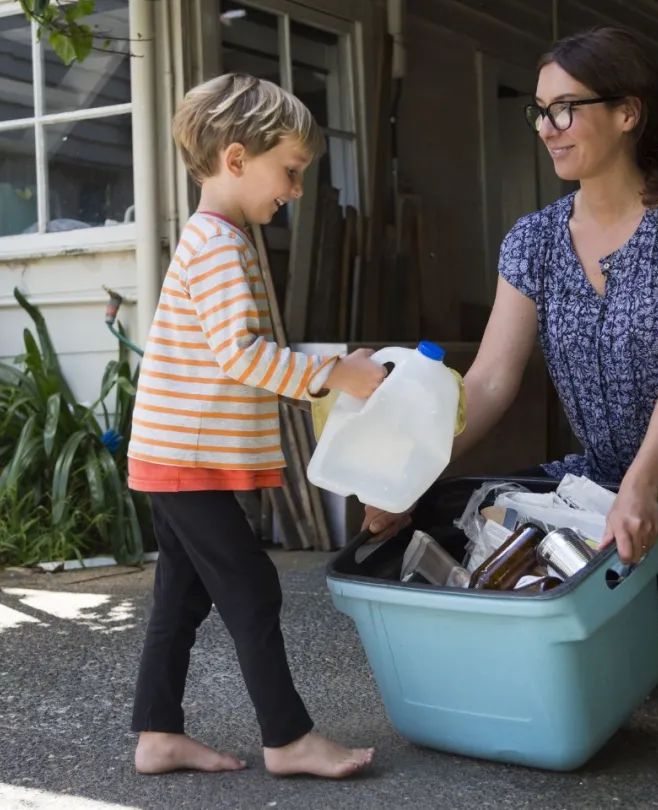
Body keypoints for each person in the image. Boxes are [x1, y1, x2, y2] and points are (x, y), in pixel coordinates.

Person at [363, 27, 658, 707]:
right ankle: (624, 631)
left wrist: (642, 489)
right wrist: (406, 475)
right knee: (451, 510)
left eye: (565, 107)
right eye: (539, 110)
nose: (547, 127)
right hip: (600, 469)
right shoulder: (534, 239)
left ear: (628, 113)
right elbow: (492, 380)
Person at [127, 73, 384, 777]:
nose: (296, 190)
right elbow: (238, 353)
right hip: (184, 459)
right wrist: (332, 375)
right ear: (237, 159)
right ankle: (289, 737)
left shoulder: (222, 237)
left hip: (175, 455)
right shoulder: (217, 245)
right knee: (250, 589)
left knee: (181, 594)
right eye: (291, 172)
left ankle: (156, 733)